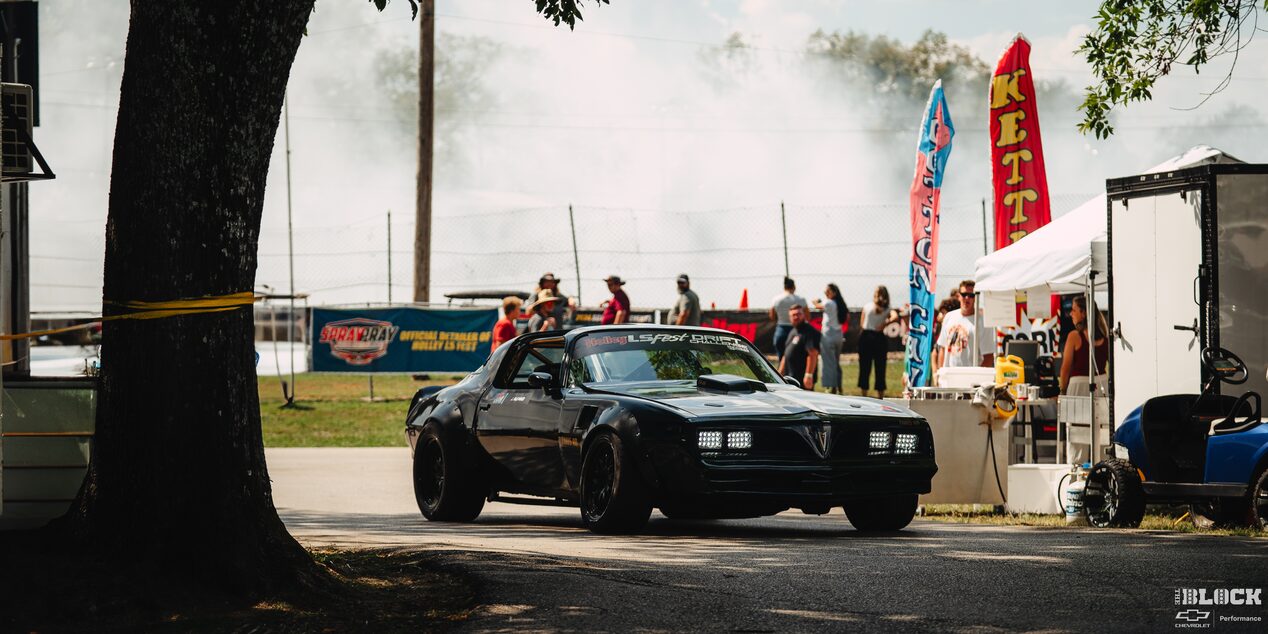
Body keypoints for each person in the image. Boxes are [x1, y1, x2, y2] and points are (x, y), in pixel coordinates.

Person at [936, 280, 995, 369]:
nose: (967, 298)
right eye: (964, 295)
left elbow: (989, 357)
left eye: (971, 295)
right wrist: (940, 373)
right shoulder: (949, 317)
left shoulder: (982, 321)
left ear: (975, 297)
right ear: (959, 296)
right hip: (949, 376)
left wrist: (976, 377)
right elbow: (942, 349)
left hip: (970, 377)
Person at [1059, 295, 1109, 394]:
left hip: (1079, 387)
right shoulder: (1105, 336)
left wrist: (1062, 390)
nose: (1071, 313)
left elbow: (1065, 369)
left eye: (1074, 310)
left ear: (1084, 313)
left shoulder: (1074, 336)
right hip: (1101, 385)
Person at [858, 285, 901, 398]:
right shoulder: (886, 308)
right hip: (878, 338)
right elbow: (896, 317)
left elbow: (862, 324)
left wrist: (882, 324)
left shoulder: (868, 306)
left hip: (867, 336)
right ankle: (880, 395)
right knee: (880, 367)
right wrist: (884, 324)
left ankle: (864, 394)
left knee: (865, 367)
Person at [813, 283, 848, 394]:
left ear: (833, 292)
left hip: (828, 334)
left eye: (827, 291)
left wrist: (816, 301)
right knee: (835, 362)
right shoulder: (840, 304)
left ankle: (831, 387)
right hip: (838, 334)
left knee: (828, 362)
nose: (826, 293)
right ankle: (839, 385)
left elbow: (816, 305)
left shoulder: (829, 302)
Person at [778, 304, 821, 390]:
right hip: (790, 379)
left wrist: (808, 375)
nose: (796, 317)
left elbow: (812, 354)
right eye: (793, 315)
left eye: (799, 314)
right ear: (790, 317)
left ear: (804, 315)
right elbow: (786, 355)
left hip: (802, 380)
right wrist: (778, 374)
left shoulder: (809, 332)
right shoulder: (793, 332)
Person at [769, 277, 807, 361]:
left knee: (782, 359)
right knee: (797, 360)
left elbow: (772, 316)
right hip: (798, 331)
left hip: (781, 330)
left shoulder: (776, 299)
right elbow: (808, 316)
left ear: (784, 287)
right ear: (794, 287)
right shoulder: (800, 299)